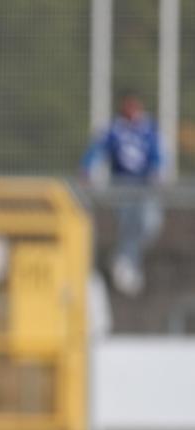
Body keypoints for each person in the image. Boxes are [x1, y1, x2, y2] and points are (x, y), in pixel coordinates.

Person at [82, 91, 162, 297]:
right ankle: (126, 263)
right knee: (128, 224)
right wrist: (88, 169)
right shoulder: (114, 130)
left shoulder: (148, 128)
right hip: (122, 184)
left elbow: (156, 154)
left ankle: (125, 258)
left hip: (144, 186)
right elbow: (97, 150)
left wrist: (156, 171)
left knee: (148, 224)